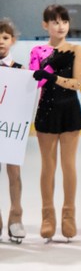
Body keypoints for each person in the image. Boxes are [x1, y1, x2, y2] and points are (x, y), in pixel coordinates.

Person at [29, 5, 81, 241]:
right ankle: (47, 216)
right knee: (48, 166)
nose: (61, 26)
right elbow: (34, 83)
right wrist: (41, 74)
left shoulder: (76, 49)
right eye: (55, 22)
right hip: (46, 112)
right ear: (45, 25)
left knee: (69, 165)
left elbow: (76, 83)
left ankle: (69, 216)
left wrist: (51, 75)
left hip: (70, 110)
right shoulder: (37, 51)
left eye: (64, 21)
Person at [0, 18, 26, 243]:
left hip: (11, 131)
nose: (1, 41)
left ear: (13, 40)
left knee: (14, 175)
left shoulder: (19, 70)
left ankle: (15, 218)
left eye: (5, 37)